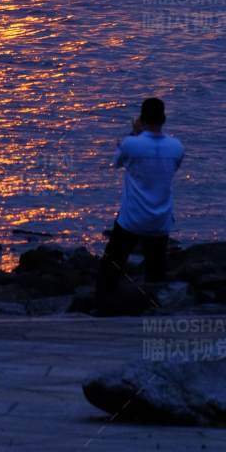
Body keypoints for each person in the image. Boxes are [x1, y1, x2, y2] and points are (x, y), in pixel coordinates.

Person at [95, 97, 184, 305]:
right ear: (164, 118)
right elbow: (172, 168)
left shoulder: (131, 144)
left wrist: (135, 133)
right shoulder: (177, 147)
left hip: (132, 219)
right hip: (160, 219)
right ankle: (154, 306)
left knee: (112, 263)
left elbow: (116, 162)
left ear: (141, 119)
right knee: (156, 268)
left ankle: (102, 305)